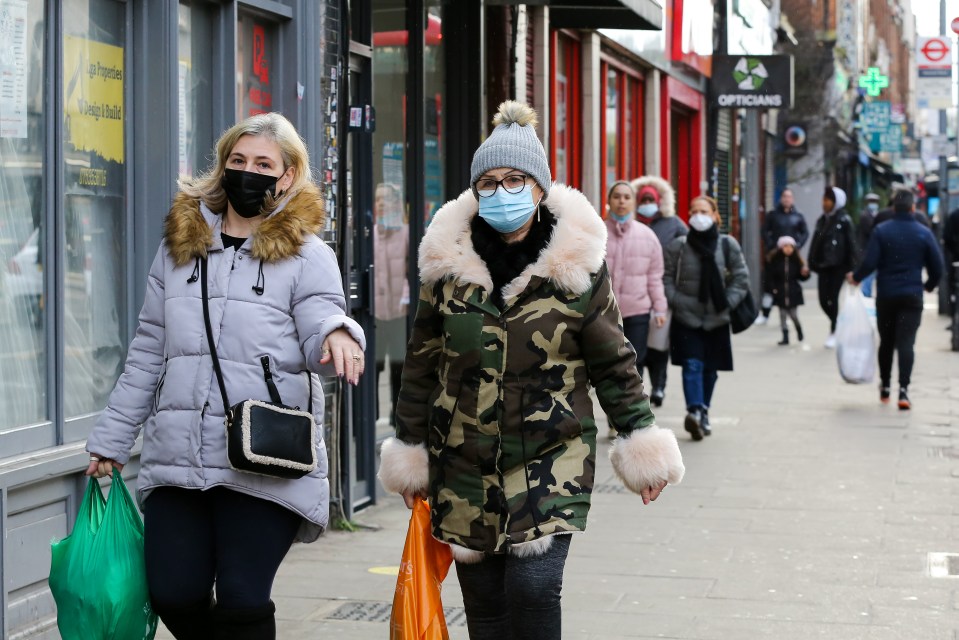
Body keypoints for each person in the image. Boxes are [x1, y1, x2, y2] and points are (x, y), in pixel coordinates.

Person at [377, 101, 685, 640]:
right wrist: (410, 449)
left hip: (551, 452)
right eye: (489, 182)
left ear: (540, 188)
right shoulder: (447, 268)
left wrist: (640, 438)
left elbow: (613, 358)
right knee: (486, 600)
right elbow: (422, 364)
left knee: (534, 588)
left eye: (515, 179)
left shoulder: (575, 267)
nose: (502, 191)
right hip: (463, 457)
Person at [84, 113, 366, 640]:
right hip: (179, 455)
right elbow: (148, 351)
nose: (247, 172)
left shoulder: (308, 255)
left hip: (262, 457)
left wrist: (337, 333)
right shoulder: (180, 249)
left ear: (286, 176)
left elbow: (321, 317)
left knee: (241, 596)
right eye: (238, 161)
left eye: (263, 163)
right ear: (222, 166)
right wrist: (113, 439)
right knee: (173, 592)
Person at [663, 196, 749, 441]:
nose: (698, 216)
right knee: (692, 365)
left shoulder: (727, 244)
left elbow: (741, 278)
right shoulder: (678, 246)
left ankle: (705, 410)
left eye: (704, 211)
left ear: (715, 215)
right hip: (686, 317)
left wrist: (727, 304)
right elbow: (666, 278)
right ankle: (695, 411)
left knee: (710, 370)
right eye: (694, 211)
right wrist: (677, 301)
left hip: (717, 318)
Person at [850, 190, 943, 410]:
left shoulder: (882, 231)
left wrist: (855, 277)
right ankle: (903, 391)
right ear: (913, 208)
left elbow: (869, 261)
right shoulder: (923, 233)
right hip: (912, 296)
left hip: (887, 295)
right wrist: (928, 285)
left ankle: (885, 388)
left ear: (893, 208)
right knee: (906, 343)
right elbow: (937, 266)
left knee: (887, 342)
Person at [604, 180, 668, 439]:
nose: (621, 201)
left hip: (638, 311)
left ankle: (630, 418)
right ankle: (612, 415)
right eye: (617, 196)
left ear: (634, 202)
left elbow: (655, 276)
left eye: (627, 197)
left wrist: (660, 307)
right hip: (605, 313)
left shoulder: (647, 236)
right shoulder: (596, 233)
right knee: (609, 366)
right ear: (609, 200)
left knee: (634, 364)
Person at [630, 175, 687, 407]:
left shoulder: (673, 224)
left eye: (649, 199)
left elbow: (686, 249)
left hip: (662, 292)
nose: (646, 203)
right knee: (637, 347)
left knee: (659, 344)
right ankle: (639, 389)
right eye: (642, 199)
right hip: (635, 295)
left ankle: (659, 386)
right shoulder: (631, 223)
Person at [373, 182, 410, 425]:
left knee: (399, 369)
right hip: (373, 314)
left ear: (397, 203)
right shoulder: (370, 232)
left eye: (386, 199)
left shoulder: (407, 233)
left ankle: (398, 424)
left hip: (400, 313)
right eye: (378, 200)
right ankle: (368, 423)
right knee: (372, 370)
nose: (381, 204)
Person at [809, 186, 857, 349]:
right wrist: (811, 262)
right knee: (823, 300)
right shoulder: (822, 220)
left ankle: (834, 330)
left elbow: (852, 245)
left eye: (828, 200)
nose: (824, 203)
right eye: (824, 199)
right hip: (823, 266)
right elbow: (815, 243)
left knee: (833, 298)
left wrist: (852, 269)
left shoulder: (844, 220)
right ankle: (837, 323)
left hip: (838, 267)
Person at [757, 188, 809, 324]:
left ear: (793, 199)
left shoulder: (798, 216)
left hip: (792, 256)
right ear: (781, 198)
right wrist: (771, 245)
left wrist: (797, 245)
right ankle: (765, 314)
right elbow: (764, 231)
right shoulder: (773, 215)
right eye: (785, 196)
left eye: (789, 197)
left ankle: (791, 313)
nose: (787, 199)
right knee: (770, 285)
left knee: (790, 284)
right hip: (775, 255)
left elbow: (805, 233)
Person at [766, 236, 810, 345]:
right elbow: (770, 277)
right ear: (780, 247)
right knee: (782, 315)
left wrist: (805, 273)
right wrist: (773, 289)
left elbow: (802, 277)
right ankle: (785, 337)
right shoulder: (775, 261)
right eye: (785, 246)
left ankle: (799, 329)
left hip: (793, 292)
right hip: (780, 292)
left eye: (791, 246)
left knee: (793, 315)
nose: (788, 249)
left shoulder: (796, 261)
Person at [856, 193, 882, 298]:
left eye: (875, 202)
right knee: (868, 274)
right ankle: (865, 294)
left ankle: (867, 294)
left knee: (873, 273)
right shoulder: (865, 215)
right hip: (867, 249)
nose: (873, 204)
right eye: (871, 201)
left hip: (875, 250)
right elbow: (872, 230)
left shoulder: (877, 214)